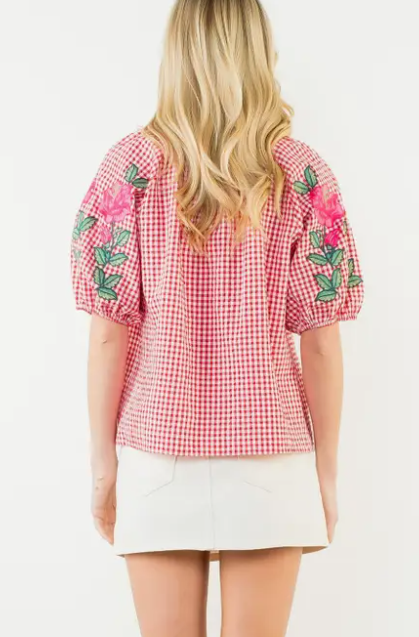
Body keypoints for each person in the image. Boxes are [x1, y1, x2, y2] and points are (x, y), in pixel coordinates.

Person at [70, 0, 364, 634]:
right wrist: (326, 472)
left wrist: (102, 466)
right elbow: (320, 344)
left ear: (177, 56)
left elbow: (107, 335)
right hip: (272, 454)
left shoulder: (130, 168)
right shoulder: (303, 174)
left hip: (156, 452)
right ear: (259, 55)